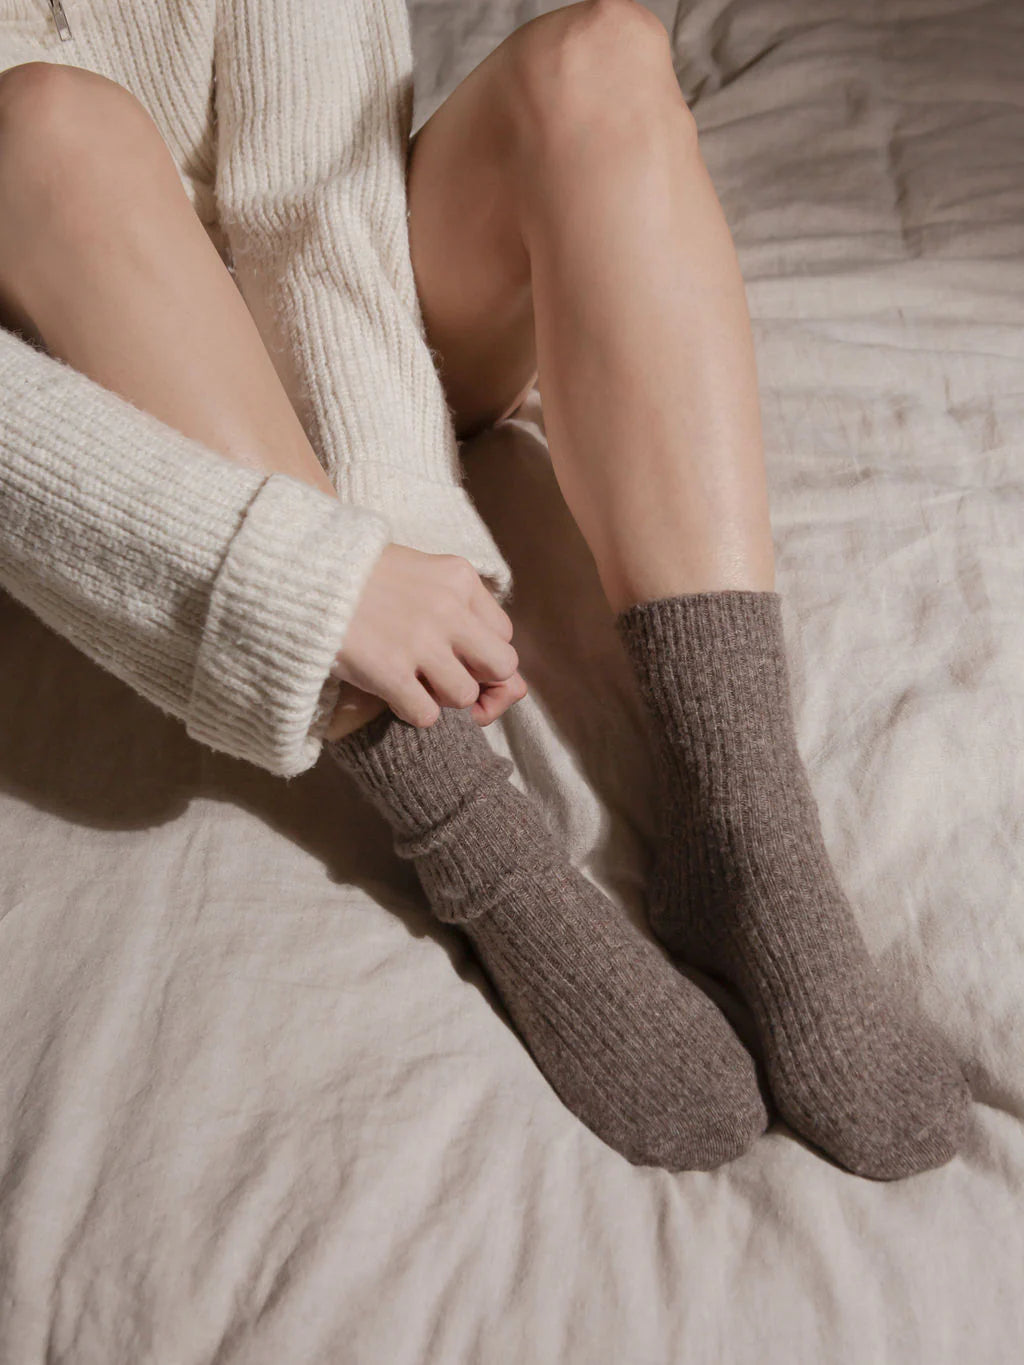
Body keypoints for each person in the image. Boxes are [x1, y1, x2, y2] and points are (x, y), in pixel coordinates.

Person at [0, 0, 970, 1177]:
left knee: (597, 57)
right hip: (97, 411)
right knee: (47, 130)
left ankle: (746, 831)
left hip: (347, 305)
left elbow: (315, 193)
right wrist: (305, 580)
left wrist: (387, 523)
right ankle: (477, 843)